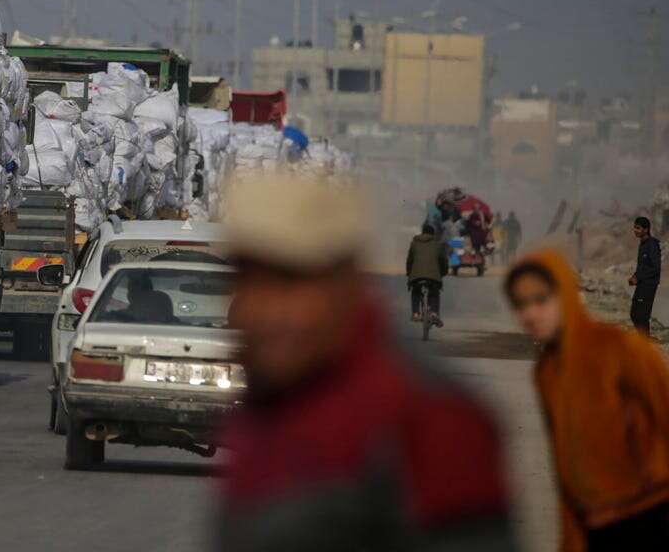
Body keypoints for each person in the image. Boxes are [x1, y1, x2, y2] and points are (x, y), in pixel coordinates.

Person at [216, 175, 514, 551]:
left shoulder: (427, 415)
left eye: (292, 283)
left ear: (346, 284)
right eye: (249, 283)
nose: (266, 312)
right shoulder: (267, 401)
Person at [504, 251, 669, 550]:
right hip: (596, 525)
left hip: (651, 514)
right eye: (520, 304)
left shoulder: (622, 349)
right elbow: (566, 469)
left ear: (565, 295)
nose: (530, 314)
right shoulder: (547, 372)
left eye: (541, 300)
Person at [406, 222, 449, 325]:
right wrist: (443, 273)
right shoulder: (438, 244)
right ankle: (434, 313)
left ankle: (416, 313)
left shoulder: (414, 243)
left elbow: (409, 261)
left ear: (422, 233)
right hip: (433, 277)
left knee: (415, 292)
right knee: (434, 293)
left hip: (416, 276)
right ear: (433, 234)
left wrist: (409, 273)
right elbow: (443, 261)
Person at [628, 216, 661, 337]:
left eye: (638, 228)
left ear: (646, 230)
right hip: (642, 283)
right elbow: (643, 266)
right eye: (634, 227)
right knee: (634, 314)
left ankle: (645, 343)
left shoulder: (652, 244)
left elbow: (655, 268)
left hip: (649, 285)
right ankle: (643, 340)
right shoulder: (643, 244)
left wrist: (638, 277)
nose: (635, 230)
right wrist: (634, 276)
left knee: (642, 316)